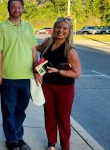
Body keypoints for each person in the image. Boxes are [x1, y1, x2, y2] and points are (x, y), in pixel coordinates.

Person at [0, 0, 37, 150]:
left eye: (19, 7)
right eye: (13, 7)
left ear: (23, 8)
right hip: (8, 76)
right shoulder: (2, 27)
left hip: (26, 76)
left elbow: (33, 50)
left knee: (21, 110)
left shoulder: (29, 27)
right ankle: (11, 140)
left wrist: (36, 71)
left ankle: (18, 136)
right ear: (9, 9)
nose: (17, 10)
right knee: (9, 110)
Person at [34, 17, 81, 150]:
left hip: (64, 88)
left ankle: (65, 146)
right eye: (58, 27)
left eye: (64, 28)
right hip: (47, 85)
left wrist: (59, 71)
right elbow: (34, 50)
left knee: (63, 118)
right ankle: (51, 143)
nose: (61, 30)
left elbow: (77, 73)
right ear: (54, 29)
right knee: (49, 114)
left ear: (69, 31)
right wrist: (37, 71)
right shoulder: (48, 42)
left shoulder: (70, 50)